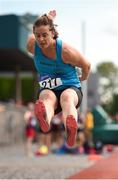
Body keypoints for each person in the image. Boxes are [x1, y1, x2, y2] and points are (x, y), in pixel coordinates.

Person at [27, 10, 91, 147]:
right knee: (47, 98)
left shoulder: (65, 51)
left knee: (66, 98)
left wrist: (82, 78)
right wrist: (46, 18)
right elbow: (30, 33)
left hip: (70, 87)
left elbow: (87, 65)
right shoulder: (33, 46)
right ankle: (45, 120)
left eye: (45, 35)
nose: (41, 39)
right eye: (37, 35)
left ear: (53, 33)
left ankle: (70, 129)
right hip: (49, 87)